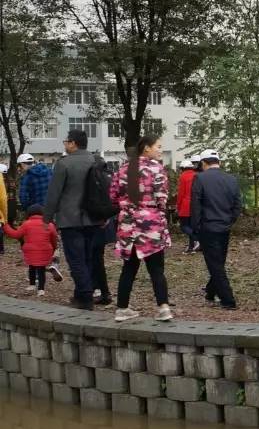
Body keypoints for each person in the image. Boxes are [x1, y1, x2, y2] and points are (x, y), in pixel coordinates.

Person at [109, 135, 173, 323]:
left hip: (128, 224)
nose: (160, 150)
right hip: (150, 224)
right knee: (156, 269)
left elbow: (112, 195)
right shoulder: (157, 168)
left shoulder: (123, 169)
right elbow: (162, 197)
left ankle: (122, 309)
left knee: (129, 268)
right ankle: (163, 307)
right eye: (158, 146)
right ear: (146, 148)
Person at [42, 130, 100, 310]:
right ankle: (80, 293)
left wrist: (47, 217)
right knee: (88, 257)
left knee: (76, 260)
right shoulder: (96, 160)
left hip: (70, 218)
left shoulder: (64, 164)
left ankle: (86, 297)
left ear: (73, 143)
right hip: (93, 217)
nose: (65, 144)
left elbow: (54, 193)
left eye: (66, 141)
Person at [190, 149, 241, 311]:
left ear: (203, 163)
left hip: (208, 226)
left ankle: (228, 299)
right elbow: (237, 204)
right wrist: (230, 220)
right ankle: (211, 292)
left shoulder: (200, 178)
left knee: (215, 264)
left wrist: (196, 227)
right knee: (218, 261)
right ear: (219, 162)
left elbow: (196, 205)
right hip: (224, 226)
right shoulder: (231, 179)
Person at [3, 205, 58, 296]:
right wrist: (54, 248)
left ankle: (32, 285)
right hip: (45, 250)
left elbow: (16, 234)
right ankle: (41, 289)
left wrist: (5, 226)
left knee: (31, 267)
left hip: (30, 251)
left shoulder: (26, 224)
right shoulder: (49, 224)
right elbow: (54, 237)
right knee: (41, 270)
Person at [176, 158, 198, 254]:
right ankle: (191, 248)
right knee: (192, 227)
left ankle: (197, 239)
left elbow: (181, 193)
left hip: (186, 205)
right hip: (196, 205)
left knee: (184, 226)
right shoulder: (196, 175)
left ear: (182, 168)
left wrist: (178, 206)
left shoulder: (183, 176)